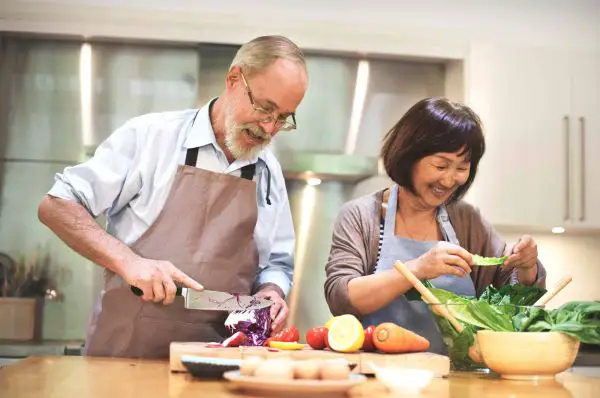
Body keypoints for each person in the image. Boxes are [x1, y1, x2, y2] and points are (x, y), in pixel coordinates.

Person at [37, 35, 308, 358]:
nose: (269, 127)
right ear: (235, 78)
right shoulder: (149, 137)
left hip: (217, 363)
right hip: (124, 358)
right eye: (265, 108)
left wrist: (272, 291)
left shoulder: (268, 171)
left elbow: (276, 263)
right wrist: (129, 262)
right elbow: (56, 204)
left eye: (283, 118)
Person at [324, 97, 546, 354]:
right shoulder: (361, 216)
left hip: (458, 378)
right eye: (441, 165)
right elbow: (341, 298)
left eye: (462, 167)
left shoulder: (467, 220)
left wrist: (527, 266)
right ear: (409, 157)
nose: (451, 179)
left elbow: (510, 296)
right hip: (381, 374)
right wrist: (417, 269)